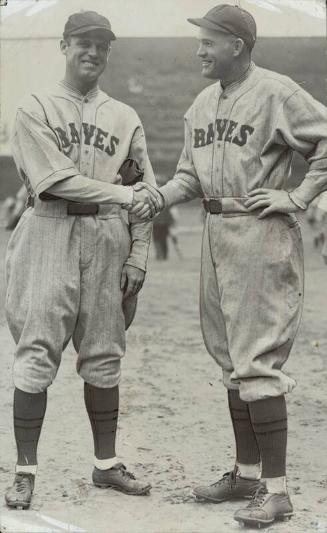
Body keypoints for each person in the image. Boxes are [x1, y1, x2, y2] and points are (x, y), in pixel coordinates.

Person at [135, 4, 327, 528]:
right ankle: (245, 474)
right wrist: (155, 197)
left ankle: (278, 492)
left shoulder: (277, 91)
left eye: (208, 41)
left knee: (257, 360)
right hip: (216, 233)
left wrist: (300, 194)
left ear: (237, 45)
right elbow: (189, 178)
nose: (199, 50)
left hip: (261, 232)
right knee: (230, 361)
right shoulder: (200, 103)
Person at [4, 10, 162, 509]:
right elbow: (55, 181)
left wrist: (138, 256)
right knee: (36, 352)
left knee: (104, 355)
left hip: (108, 238)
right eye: (83, 43)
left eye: (102, 45)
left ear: (109, 52)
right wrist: (123, 194)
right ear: (64, 45)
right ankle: (25, 470)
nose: (92, 52)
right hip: (50, 229)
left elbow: (147, 190)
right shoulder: (36, 106)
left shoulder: (124, 115)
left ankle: (106, 465)